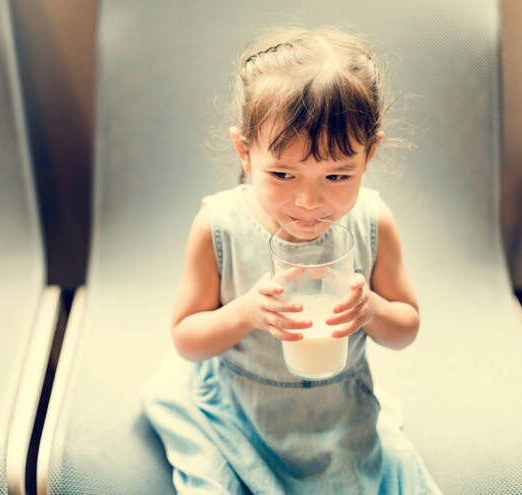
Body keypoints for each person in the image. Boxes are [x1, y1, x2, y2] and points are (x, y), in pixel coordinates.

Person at [142, 26, 441, 494]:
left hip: (338, 414)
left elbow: (407, 325)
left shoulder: (373, 222)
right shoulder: (219, 227)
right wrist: (245, 312)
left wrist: (373, 311)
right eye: (282, 173)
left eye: (338, 175)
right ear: (245, 153)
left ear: (370, 155)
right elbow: (187, 340)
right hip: (240, 414)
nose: (308, 201)